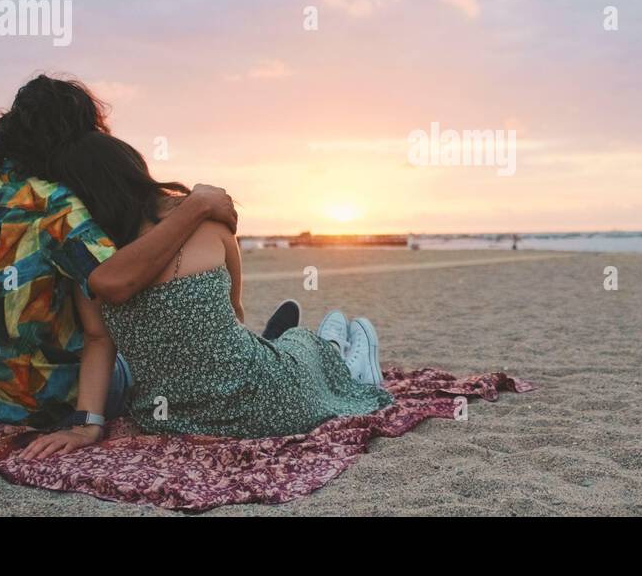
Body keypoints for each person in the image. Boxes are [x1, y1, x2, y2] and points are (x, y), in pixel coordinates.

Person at [0, 75, 238, 457]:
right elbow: (116, 282)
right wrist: (195, 207)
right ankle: (254, 355)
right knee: (145, 341)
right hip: (51, 405)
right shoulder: (56, 205)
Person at [49, 131, 392, 440]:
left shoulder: (93, 263)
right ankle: (343, 358)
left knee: (286, 347)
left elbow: (99, 339)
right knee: (303, 343)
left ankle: (315, 347)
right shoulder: (211, 227)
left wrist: (86, 425)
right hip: (271, 406)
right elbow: (235, 313)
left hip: (167, 419)